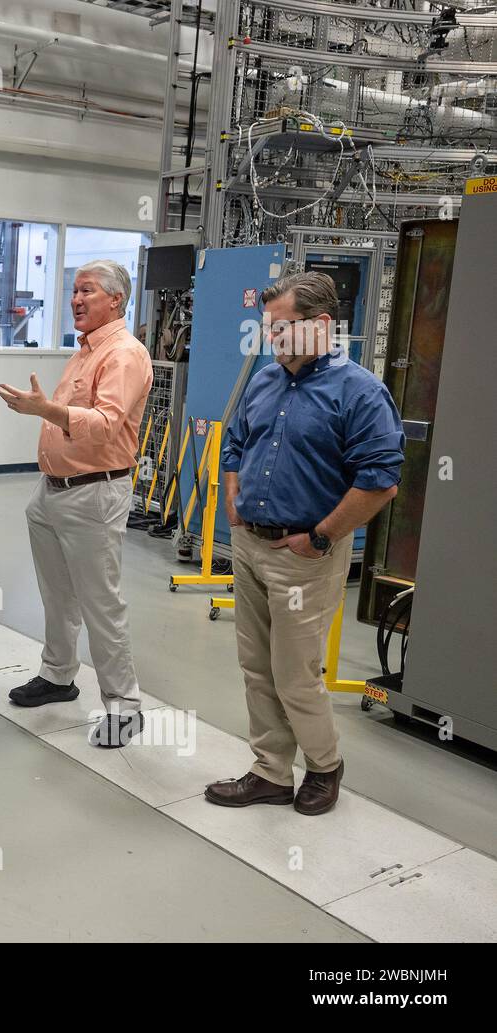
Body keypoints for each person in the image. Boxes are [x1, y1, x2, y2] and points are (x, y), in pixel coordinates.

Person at [207, 271, 404, 815]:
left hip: (304, 558)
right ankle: (270, 771)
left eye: (282, 328)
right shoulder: (266, 381)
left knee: (295, 675)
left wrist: (321, 537)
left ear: (321, 325)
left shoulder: (360, 392)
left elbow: (381, 480)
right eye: (268, 328)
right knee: (256, 668)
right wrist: (233, 500)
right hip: (251, 547)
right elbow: (236, 442)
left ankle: (324, 766)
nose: (272, 338)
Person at [0, 259, 153, 748]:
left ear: (116, 300)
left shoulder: (123, 354)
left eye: (87, 291)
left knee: (100, 603)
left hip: (93, 494)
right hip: (53, 493)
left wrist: (45, 410)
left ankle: (124, 706)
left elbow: (105, 423)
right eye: (75, 291)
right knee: (57, 595)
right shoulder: (85, 351)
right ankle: (59, 674)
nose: (76, 300)